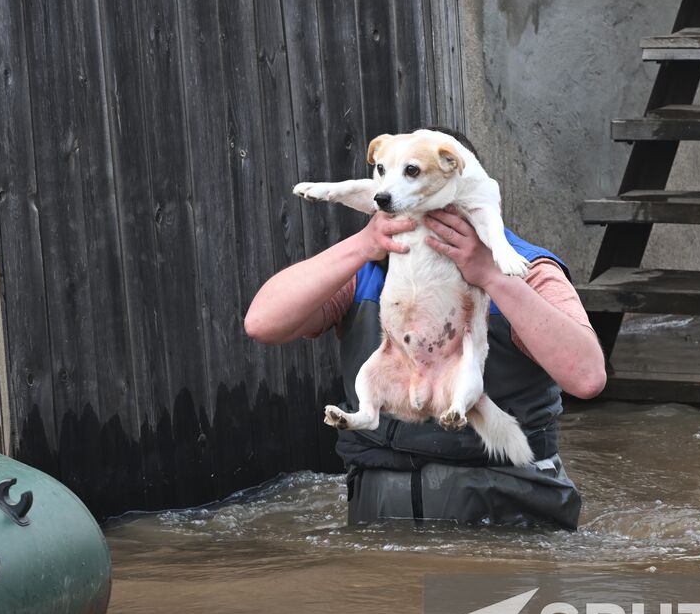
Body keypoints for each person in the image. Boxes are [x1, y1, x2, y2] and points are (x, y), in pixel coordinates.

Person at [244, 185, 605, 530]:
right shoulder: (367, 266)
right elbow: (262, 324)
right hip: (383, 516)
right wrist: (362, 244)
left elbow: (587, 377)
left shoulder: (526, 268)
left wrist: (491, 276)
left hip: (507, 512)